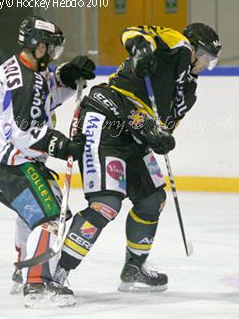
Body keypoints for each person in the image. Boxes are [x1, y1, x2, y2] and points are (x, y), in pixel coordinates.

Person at [51, 24, 221, 297]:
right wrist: (140, 50)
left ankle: (134, 266)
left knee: (153, 199)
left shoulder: (189, 90)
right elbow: (132, 31)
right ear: (195, 49)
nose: (206, 65)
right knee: (106, 204)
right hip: (106, 118)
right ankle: (57, 273)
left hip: (135, 134)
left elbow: (165, 125)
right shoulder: (177, 45)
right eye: (206, 58)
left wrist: (161, 137)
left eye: (211, 62)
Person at [0, 15, 96, 308]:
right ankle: (37, 285)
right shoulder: (25, 82)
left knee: (46, 203)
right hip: (6, 162)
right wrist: (61, 144)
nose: (52, 55)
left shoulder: (26, 69)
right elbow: (24, 133)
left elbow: (46, 94)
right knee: (51, 215)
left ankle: (25, 268)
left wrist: (66, 75)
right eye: (50, 49)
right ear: (36, 46)